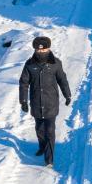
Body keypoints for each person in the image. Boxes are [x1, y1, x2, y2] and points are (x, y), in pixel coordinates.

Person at [18, 36, 71, 167]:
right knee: (39, 129)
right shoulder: (29, 65)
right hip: (36, 103)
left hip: (51, 103)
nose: (41, 52)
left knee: (50, 131)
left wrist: (67, 95)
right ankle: (42, 146)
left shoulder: (55, 63)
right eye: (39, 50)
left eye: (44, 50)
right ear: (35, 50)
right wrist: (23, 101)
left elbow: (62, 80)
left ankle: (49, 160)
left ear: (49, 48)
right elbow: (24, 83)